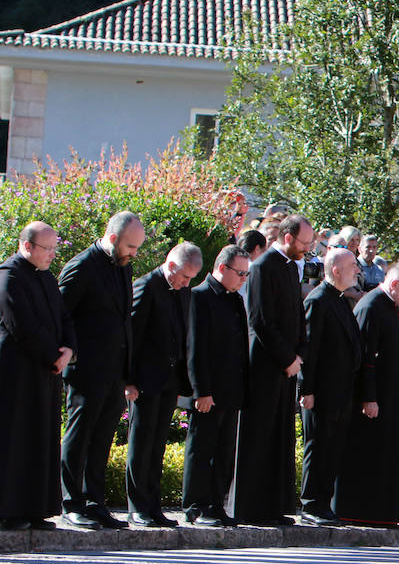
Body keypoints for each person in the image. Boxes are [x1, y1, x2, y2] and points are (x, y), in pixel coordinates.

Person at [58, 210, 146, 529]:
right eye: (131, 247)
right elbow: (61, 315)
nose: (134, 254)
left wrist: (127, 374)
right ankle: (71, 502)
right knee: (80, 436)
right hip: (86, 370)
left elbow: (124, 320)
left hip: (113, 371)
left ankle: (94, 501)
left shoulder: (122, 266)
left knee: (102, 439)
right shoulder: (81, 267)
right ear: (113, 239)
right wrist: (73, 354)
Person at [232, 214, 313, 526]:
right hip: (266, 364)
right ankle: (252, 507)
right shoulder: (263, 267)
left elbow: (296, 315)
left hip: (287, 365)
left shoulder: (292, 268)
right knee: (260, 434)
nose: (307, 249)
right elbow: (260, 320)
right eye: (304, 243)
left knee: (280, 436)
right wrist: (287, 358)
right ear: (288, 237)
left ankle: (273, 506)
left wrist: (300, 353)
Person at [0, 223, 75, 530]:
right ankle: (10, 509)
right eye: (47, 249)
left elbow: (64, 316)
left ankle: (36, 508)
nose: (52, 255)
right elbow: (22, 324)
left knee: (41, 438)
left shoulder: (45, 278)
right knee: (16, 438)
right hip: (17, 371)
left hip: (46, 370)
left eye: (55, 249)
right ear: (27, 246)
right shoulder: (9, 276)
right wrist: (53, 355)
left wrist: (68, 348)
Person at [336, 262, 399, 525]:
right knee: (367, 455)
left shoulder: (390, 307)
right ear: (395, 285)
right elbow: (365, 358)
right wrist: (368, 397)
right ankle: (361, 511)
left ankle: (383, 512)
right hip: (374, 401)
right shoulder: (372, 306)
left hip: (390, 397)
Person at [126, 242, 203, 526]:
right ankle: (138, 506)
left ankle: (154, 505)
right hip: (146, 379)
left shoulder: (182, 292)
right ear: (171, 265)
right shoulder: (146, 287)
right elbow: (132, 336)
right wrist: (129, 380)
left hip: (170, 379)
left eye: (190, 280)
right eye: (183, 277)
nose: (185, 284)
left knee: (158, 444)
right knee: (142, 442)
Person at [183, 245, 251, 527]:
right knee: (202, 448)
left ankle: (217, 503)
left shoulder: (234, 299)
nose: (243, 279)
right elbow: (195, 348)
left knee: (224, 451)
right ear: (222, 268)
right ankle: (197, 507)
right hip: (209, 390)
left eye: (246, 274)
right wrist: (201, 390)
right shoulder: (199, 297)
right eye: (240, 273)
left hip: (231, 388)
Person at [297, 248, 363, 526]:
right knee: (318, 444)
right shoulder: (318, 300)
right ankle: (311, 503)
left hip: (340, 389)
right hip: (321, 390)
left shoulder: (338, 299)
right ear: (336, 269)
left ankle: (324, 502)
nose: (357, 271)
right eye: (352, 266)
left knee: (332, 447)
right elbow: (308, 348)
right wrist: (306, 390)